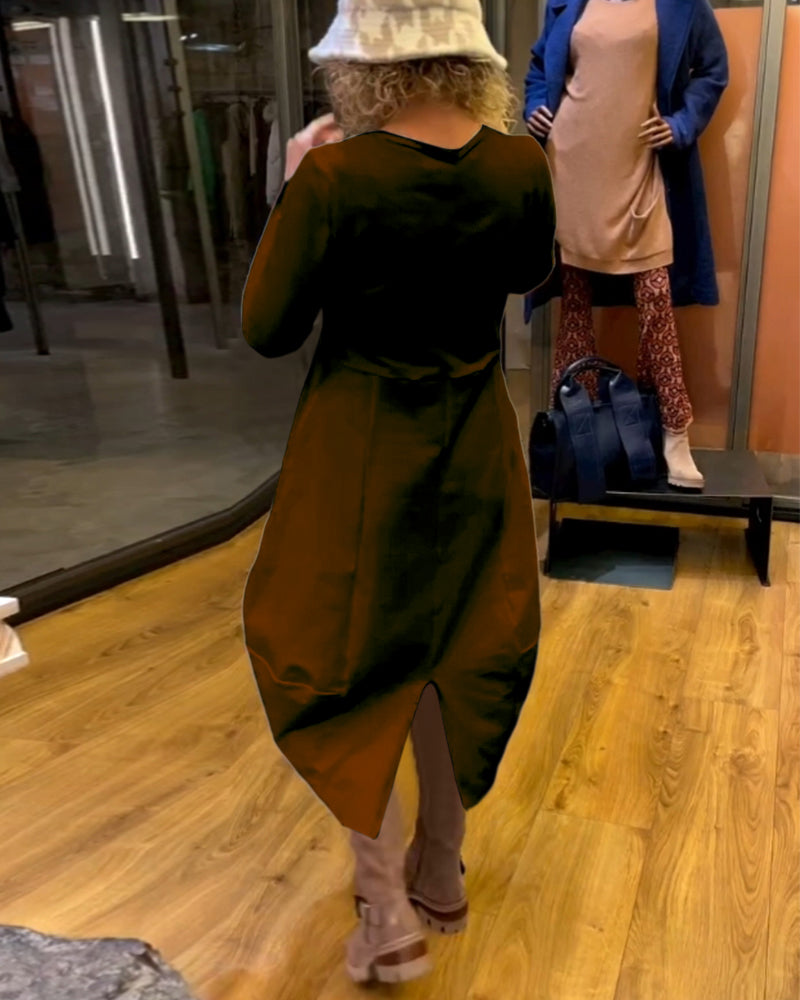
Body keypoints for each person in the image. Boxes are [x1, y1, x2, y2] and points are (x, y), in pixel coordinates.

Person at [240, 0, 555, 984]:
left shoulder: (334, 176)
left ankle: (384, 909)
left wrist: (293, 190)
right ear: (467, 57)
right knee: (455, 645)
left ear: (364, 65)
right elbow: (530, 271)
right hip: (473, 438)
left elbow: (267, 328)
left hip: (360, 445)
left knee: (343, 655)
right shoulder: (519, 164)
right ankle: (439, 865)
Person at [524, 0, 728, 490]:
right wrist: (534, 108)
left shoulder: (682, 5)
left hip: (640, 165)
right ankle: (577, 430)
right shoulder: (567, 2)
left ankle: (675, 429)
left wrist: (681, 124)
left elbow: (713, 71)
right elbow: (539, 66)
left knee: (655, 298)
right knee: (575, 303)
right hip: (572, 163)